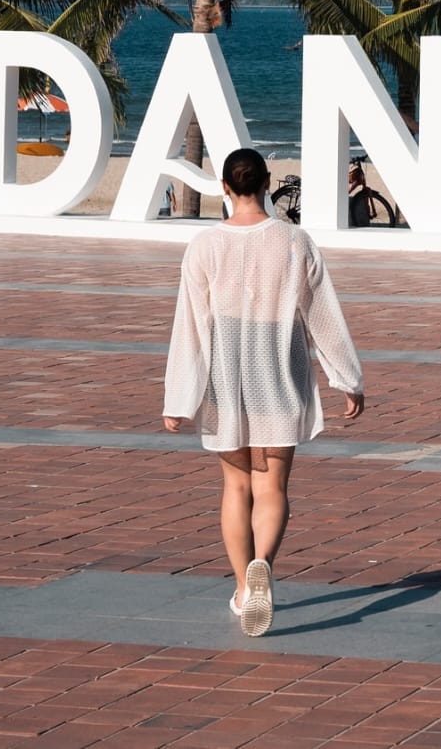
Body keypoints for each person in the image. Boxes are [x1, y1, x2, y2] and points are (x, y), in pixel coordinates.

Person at [163, 147, 364, 637]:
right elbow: (321, 314)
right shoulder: (295, 241)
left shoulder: (205, 245)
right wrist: (347, 378)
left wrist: (178, 398)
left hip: (225, 377)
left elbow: (191, 325)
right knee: (272, 487)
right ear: (266, 183)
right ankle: (264, 566)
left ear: (225, 188)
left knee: (235, 487)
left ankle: (242, 587)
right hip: (279, 371)